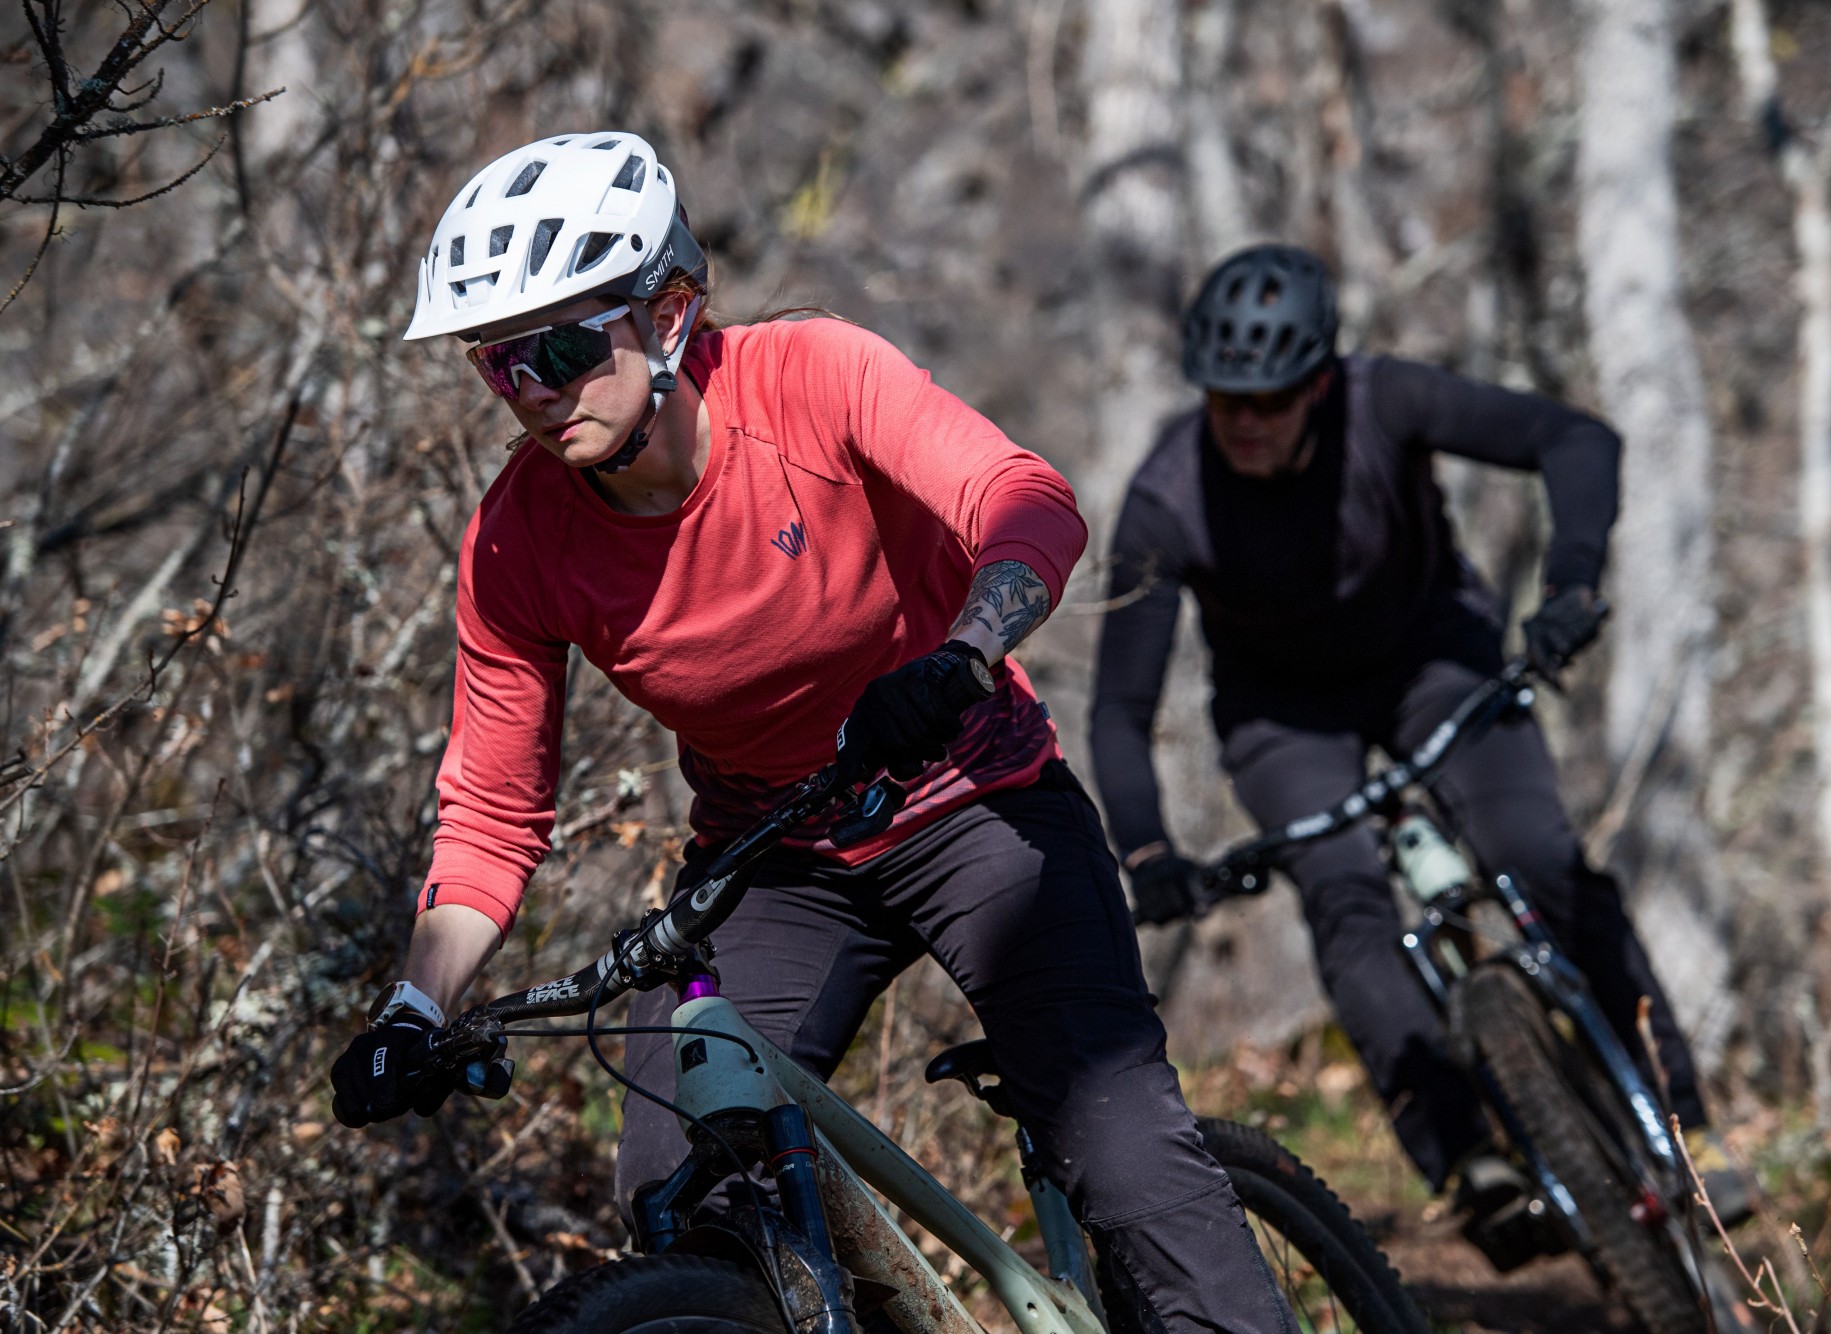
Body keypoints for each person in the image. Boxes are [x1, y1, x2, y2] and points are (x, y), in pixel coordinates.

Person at [326, 131, 1293, 1332]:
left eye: (562, 349)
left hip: (973, 800)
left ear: (667, 314)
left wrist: (961, 654)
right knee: (682, 1186)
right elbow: (490, 810)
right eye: (498, 365)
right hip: (774, 853)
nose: (531, 390)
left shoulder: (808, 378)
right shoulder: (517, 541)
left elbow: (1027, 499)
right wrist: (414, 1009)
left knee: (1120, 1144)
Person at [1087, 244, 1750, 1259]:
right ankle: (1468, 1162)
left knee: (1535, 855)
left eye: (1270, 399)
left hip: (1432, 654)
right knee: (1344, 898)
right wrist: (1147, 853)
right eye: (1225, 399)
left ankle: (1683, 1124)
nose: (1246, 420)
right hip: (1284, 713)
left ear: (1318, 383)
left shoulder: (1385, 400)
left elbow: (1574, 438)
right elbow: (1119, 708)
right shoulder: (1167, 497)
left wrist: (1569, 586)